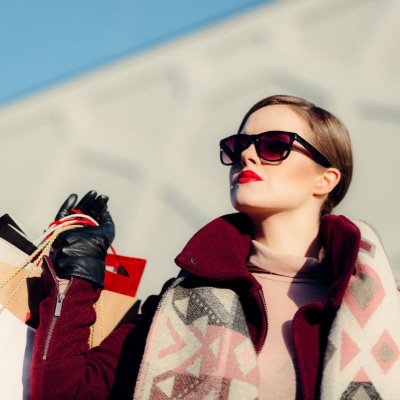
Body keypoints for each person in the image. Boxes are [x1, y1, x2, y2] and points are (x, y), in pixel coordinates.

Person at [30, 95, 400, 400]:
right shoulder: (178, 306)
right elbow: (64, 391)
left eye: (274, 145)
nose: (247, 156)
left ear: (325, 179)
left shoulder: (385, 311)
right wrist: (78, 270)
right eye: (239, 146)